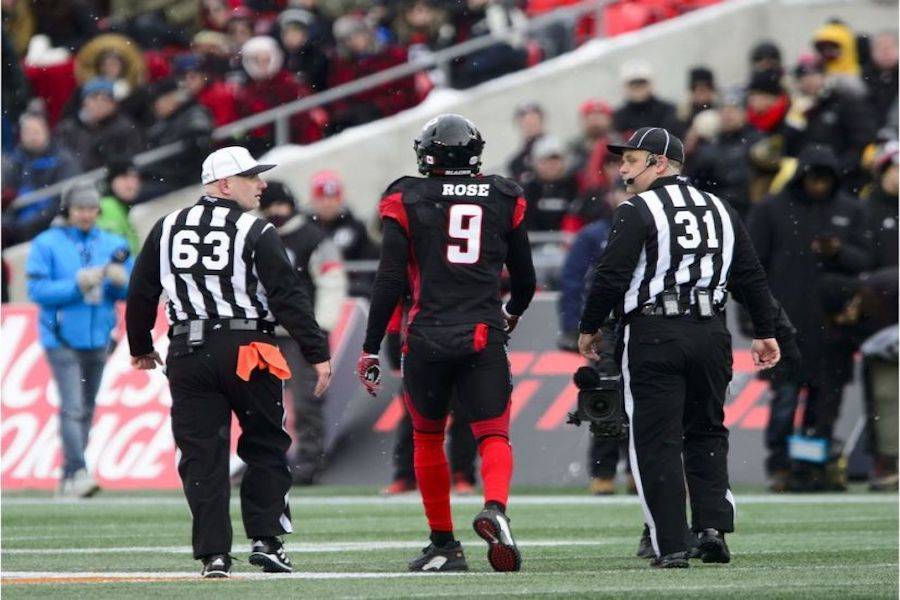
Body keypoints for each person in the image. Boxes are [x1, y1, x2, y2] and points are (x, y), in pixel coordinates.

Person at [577, 127, 781, 567]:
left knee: (656, 440)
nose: (623, 169)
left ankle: (670, 542)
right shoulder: (721, 208)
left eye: (632, 160)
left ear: (660, 163)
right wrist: (766, 329)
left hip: (654, 333)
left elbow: (610, 275)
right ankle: (712, 529)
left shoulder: (637, 209)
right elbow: (750, 276)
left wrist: (590, 326)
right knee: (706, 430)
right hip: (711, 331)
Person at [125, 146, 333, 578]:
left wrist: (140, 344)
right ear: (224, 184)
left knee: (202, 455)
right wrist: (316, 351)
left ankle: (214, 554)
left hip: (187, 350)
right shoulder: (256, 230)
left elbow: (142, 291)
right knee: (264, 445)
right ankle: (266, 540)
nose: (261, 185)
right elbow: (287, 297)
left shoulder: (166, 227)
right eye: (251, 177)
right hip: (247, 347)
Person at [357, 114, 536, 572]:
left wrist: (371, 345)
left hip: (426, 334)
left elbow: (390, 278)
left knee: (427, 436)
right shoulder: (503, 194)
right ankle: (495, 507)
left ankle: (444, 544)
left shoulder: (407, 194)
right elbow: (526, 279)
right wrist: (511, 312)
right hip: (481, 330)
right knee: (492, 432)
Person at [747, 145, 872, 492]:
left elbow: (866, 260)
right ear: (802, 176)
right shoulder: (771, 210)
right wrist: (753, 315)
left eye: (825, 178)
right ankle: (781, 467)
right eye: (813, 177)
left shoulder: (851, 209)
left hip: (832, 328)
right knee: (785, 400)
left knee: (823, 406)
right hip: (784, 325)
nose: (818, 185)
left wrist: (839, 252)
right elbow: (752, 265)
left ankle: (810, 467)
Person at [26, 180, 133, 498]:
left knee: (86, 407)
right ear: (68, 210)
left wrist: (121, 282)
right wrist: (76, 283)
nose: (86, 214)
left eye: (91, 208)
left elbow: (131, 288)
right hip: (60, 335)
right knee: (73, 406)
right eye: (80, 208)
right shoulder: (47, 243)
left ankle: (70, 473)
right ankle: (77, 470)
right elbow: (37, 290)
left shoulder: (112, 242)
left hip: (99, 334)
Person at [258, 180, 348, 485]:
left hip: (300, 333)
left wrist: (321, 327)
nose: (275, 212)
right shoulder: (257, 236)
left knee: (306, 400)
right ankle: (266, 460)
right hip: (264, 330)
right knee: (260, 401)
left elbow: (332, 281)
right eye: (269, 207)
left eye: (280, 206)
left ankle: (309, 462)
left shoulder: (311, 237)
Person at [307, 169, 380, 297]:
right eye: (322, 198)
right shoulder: (304, 228)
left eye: (332, 198)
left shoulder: (356, 228)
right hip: (311, 291)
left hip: (350, 293)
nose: (327, 204)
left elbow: (368, 262)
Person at [55, 77, 143, 171]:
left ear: (114, 104)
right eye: (94, 97)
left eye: (106, 99)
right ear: (84, 101)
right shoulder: (67, 128)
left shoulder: (126, 129)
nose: (100, 103)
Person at [612, 61, 679, 138]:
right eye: (633, 84)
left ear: (651, 84)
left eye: (642, 83)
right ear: (625, 87)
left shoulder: (668, 109)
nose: (638, 87)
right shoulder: (619, 115)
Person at [96, 158, 141, 255]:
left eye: (134, 177)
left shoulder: (122, 208)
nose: (131, 184)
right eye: (124, 177)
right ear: (111, 181)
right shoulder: (107, 207)